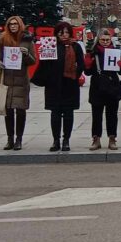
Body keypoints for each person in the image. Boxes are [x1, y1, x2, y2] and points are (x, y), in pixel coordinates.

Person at [31, 22, 85, 152]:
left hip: (69, 85)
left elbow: (81, 64)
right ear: (57, 33)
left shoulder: (75, 46)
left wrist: (74, 76)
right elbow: (45, 65)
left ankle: (66, 140)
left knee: (68, 114)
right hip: (54, 85)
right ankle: (56, 140)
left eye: (67, 32)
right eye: (61, 32)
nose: (64, 35)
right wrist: (42, 54)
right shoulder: (50, 44)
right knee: (55, 114)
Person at [0, 16, 35, 150]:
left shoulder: (27, 40)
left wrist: (26, 54)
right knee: (8, 112)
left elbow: (32, 61)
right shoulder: (3, 40)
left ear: (20, 25)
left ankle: (19, 139)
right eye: (10, 24)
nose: (13, 26)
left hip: (21, 80)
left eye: (15, 24)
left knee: (20, 111)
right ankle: (10, 138)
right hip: (7, 80)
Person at [85, 33, 121, 150]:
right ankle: (96, 139)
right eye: (103, 40)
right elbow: (87, 73)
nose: (105, 42)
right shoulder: (93, 53)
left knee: (112, 115)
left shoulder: (116, 52)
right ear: (98, 40)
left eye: (107, 40)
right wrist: (88, 64)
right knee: (96, 115)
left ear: (111, 41)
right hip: (97, 87)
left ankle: (112, 138)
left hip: (112, 86)